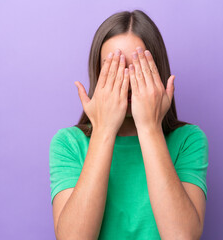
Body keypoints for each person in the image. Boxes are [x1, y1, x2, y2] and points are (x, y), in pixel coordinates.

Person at [49, 9, 209, 240]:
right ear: (97, 73)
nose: (126, 81)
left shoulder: (188, 140)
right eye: (113, 68)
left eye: (137, 66)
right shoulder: (68, 143)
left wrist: (150, 127)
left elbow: (182, 237)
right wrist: (103, 129)